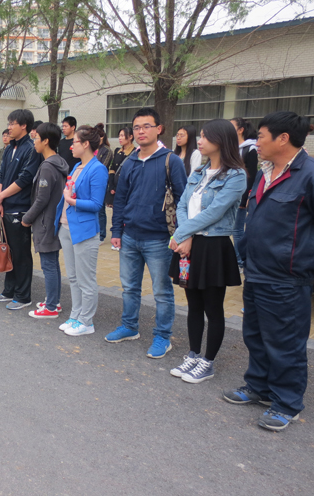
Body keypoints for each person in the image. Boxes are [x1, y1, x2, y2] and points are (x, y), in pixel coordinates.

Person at [223, 111, 314, 432]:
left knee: (285, 342)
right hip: (257, 271)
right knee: (256, 335)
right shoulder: (265, 172)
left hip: (288, 278)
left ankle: (287, 403)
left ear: (283, 138)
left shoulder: (308, 175)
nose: (256, 142)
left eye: (261, 136)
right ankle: (258, 386)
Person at [167, 120, 246, 384]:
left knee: (213, 307)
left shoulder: (236, 176)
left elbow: (215, 212)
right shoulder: (199, 171)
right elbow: (182, 205)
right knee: (193, 305)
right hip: (190, 244)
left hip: (213, 247)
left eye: (205, 137)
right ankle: (193, 354)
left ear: (221, 140)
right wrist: (185, 235)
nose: (199, 141)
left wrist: (181, 234)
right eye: (199, 136)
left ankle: (208, 361)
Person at [108, 107, 187, 358]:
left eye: (146, 126)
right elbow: (120, 199)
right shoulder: (129, 161)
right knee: (129, 287)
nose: (141, 131)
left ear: (159, 129)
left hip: (159, 239)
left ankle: (163, 336)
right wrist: (116, 230)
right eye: (137, 127)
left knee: (161, 292)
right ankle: (129, 326)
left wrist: (180, 235)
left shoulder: (170, 161)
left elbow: (183, 200)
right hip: (130, 236)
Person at [55, 125, 109, 335]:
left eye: (75, 142)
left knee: (86, 279)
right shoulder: (77, 166)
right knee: (73, 277)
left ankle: (86, 321)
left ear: (86, 144)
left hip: (84, 230)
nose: (71, 146)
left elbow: (96, 204)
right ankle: (75, 315)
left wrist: (71, 201)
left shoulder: (98, 169)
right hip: (67, 227)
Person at [0, 109, 42, 308]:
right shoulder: (9, 148)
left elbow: (25, 179)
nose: (9, 127)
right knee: (8, 251)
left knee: (21, 254)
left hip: (20, 209)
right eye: (9, 123)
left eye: (13, 123)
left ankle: (23, 296)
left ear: (24, 126)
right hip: (5, 207)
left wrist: (0, 196)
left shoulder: (31, 149)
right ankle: (9, 290)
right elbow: (0, 174)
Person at [21, 123, 69, 319]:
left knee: (48, 264)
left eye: (37, 138)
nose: (34, 142)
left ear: (46, 141)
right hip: (53, 220)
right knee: (52, 263)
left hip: (45, 222)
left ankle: (50, 307)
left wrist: (27, 218)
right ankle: (53, 301)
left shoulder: (48, 166)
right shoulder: (58, 162)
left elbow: (41, 199)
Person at [230, 117, 258, 270]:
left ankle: (240, 261)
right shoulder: (233, 147)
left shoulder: (251, 148)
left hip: (241, 196)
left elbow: (251, 176)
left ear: (240, 130)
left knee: (237, 230)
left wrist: (245, 198)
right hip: (231, 194)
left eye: (231, 126)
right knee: (234, 229)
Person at [106, 127, 135, 215]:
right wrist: (111, 186)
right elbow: (112, 169)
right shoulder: (117, 151)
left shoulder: (135, 152)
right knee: (116, 214)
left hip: (126, 189)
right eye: (119, 136)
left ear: (130, 137)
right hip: (115, 189)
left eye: (122, 136)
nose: (120, 138)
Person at [95, 123, 113, 243]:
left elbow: (103, 166)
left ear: (102, 137)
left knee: (100, 210)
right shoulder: (93, 149)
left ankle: (102, 235)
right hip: (91, 181)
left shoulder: (107, 150)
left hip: (101, 182)